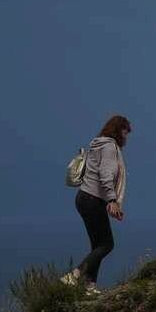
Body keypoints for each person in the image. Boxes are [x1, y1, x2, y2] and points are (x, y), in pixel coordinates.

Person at [62, 115, 130, 295]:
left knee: (97, 245)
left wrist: (110, 202)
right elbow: (105, 174)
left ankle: (89, 286)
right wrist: (112, 200)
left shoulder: (97, 144)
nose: (127, 137)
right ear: (118, 131)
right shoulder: (109, 147)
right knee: (107, 244)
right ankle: (74, 275)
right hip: (93, 199)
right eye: (125, 132)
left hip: (84, 198)